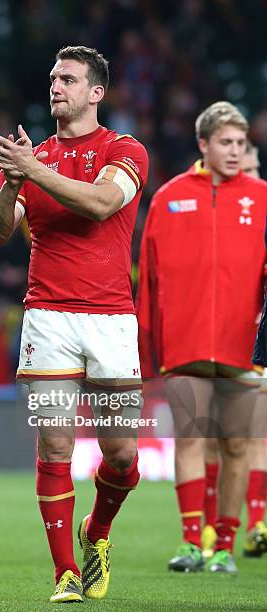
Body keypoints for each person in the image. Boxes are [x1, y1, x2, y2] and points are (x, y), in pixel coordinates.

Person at [0, 45, 148, 603]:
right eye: (53, 78)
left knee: (122, 454)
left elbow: (102, 204)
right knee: (55, 446)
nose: (57, 87)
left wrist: (30, 171)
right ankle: (64, 573)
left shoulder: (125, 150)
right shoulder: (35, 156)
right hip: (48, 315)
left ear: (96, 92)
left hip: (110, 319)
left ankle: (97, 531)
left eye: (69, 80)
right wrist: (10, 185)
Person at [137, 101, 267, 574]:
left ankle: (224, 548)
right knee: (190, 439)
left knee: (235, 445)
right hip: (185, 344)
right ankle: (192, 541)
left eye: (239, 143)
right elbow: (147, 279)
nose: (234, 152)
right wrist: (146, 348)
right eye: (225, 143)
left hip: (241, 348)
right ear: (203, 145)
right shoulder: (169, 198)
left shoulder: (263, 196)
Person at [202, 142, 267, 559]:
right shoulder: (221, 216)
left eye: (258, 165)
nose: (255, 173)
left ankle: (255, 521)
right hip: (219, 334)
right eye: (249, 166)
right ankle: (208, 526)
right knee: (212, 435)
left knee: (254, 433)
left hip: (257, 333)